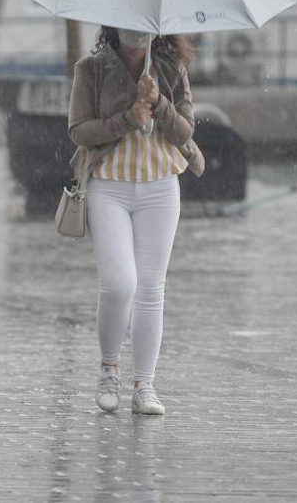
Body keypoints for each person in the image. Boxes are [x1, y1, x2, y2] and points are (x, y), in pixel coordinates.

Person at [66, 26, 204, 415]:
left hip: (161, 186)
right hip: (108, 185)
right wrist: (127, 117)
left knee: (150, 289)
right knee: (118, 283)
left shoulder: (171, 67)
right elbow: (79, 131)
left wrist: (159, 102)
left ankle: (145, 384)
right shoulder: (90, 69)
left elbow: (186, 130)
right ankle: (109, 368)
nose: (137, 34)